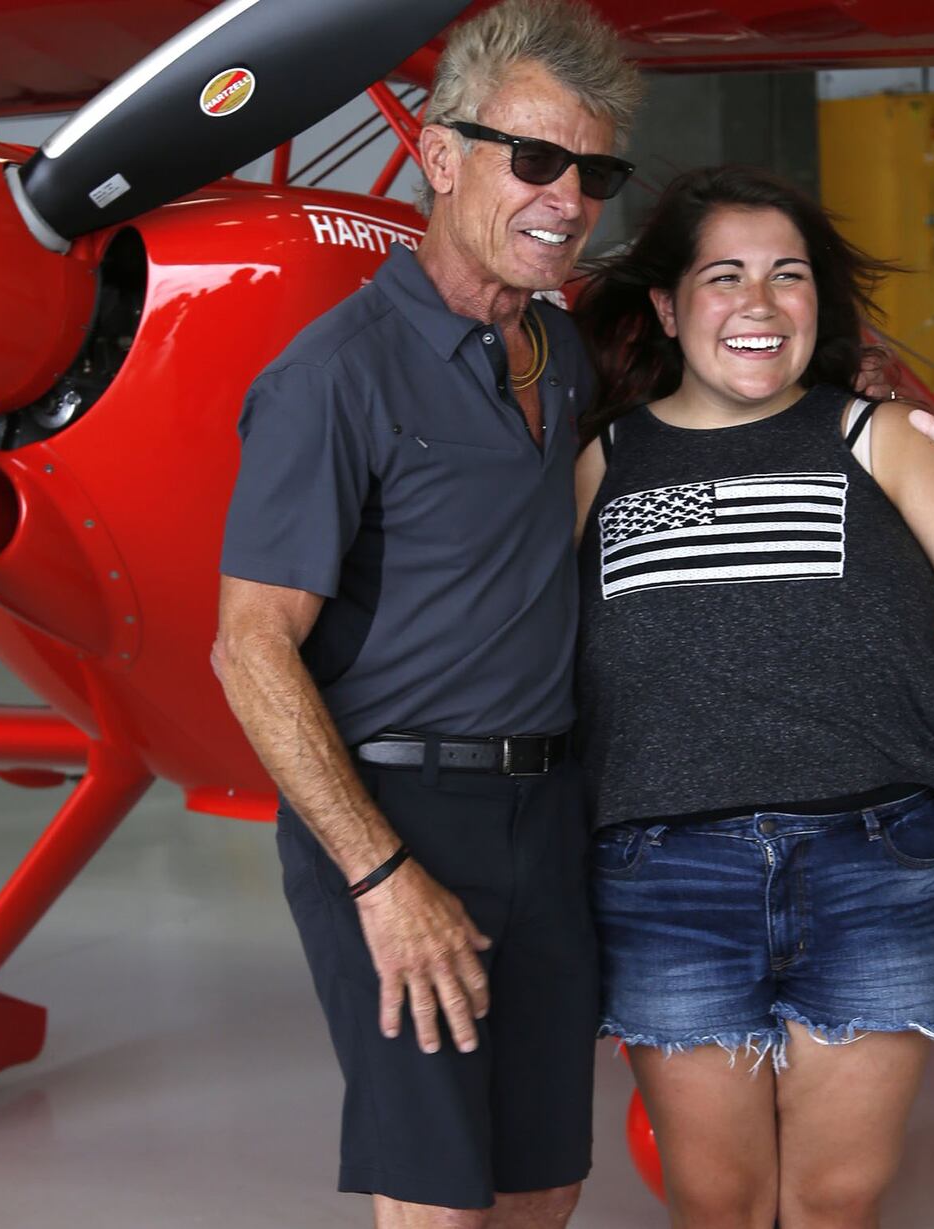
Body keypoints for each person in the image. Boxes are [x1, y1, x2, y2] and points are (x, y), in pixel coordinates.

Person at [570, 165, 934, 1228]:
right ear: (666, 306)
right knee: (717, 1198)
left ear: (817, 303)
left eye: (787, 275)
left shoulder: (875, 436)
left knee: (838, 1196)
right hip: (665, 874)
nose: (758, 303)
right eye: (724, 276)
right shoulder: (600, 460)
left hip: (867, 863)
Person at [211, 3, 642, 1224]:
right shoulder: (330, 376)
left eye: (594, 171)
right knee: (437, 1199)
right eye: (536, 158)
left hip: (545, 809)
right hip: (398, 816)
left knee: (542, 1176)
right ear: (442, 158)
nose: (567, 197)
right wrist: (381, 873)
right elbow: (248, 647)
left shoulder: (556, 354)